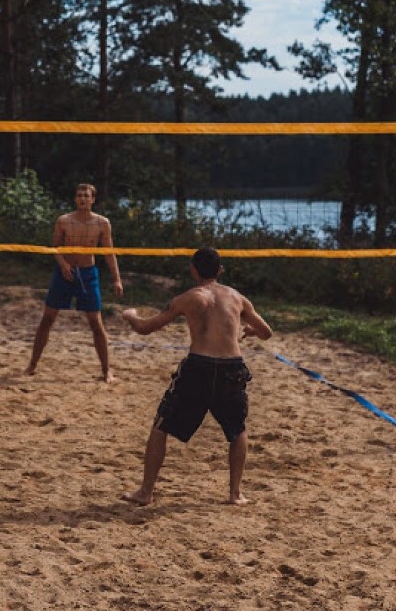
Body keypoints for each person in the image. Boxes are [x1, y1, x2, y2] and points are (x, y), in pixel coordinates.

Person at [120, 246, 272, 508]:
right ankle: (235, 493)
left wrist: (130, 316)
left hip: (199, 367)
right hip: (230, 367)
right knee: (237, 430)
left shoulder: (188, 298)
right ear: (220, 270)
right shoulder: (237, 298)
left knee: (161, 427)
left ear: (193, 269)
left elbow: (146, 328)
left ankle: (146, 492)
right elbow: (267, 332)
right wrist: (250, 330)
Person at [25, 182, 123, 382]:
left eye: (86, 196)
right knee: (48, 318)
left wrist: (117, 279)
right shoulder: (64, 220)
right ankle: (32, 365)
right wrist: (62, 264)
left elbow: (109, 253)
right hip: (64, 273)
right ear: (74, 198)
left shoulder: (102, 223)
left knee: (96, 322)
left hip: (88, 274)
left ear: (93, 199)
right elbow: (55, 247)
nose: (82, 198)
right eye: (79, 195)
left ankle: (106, 371)